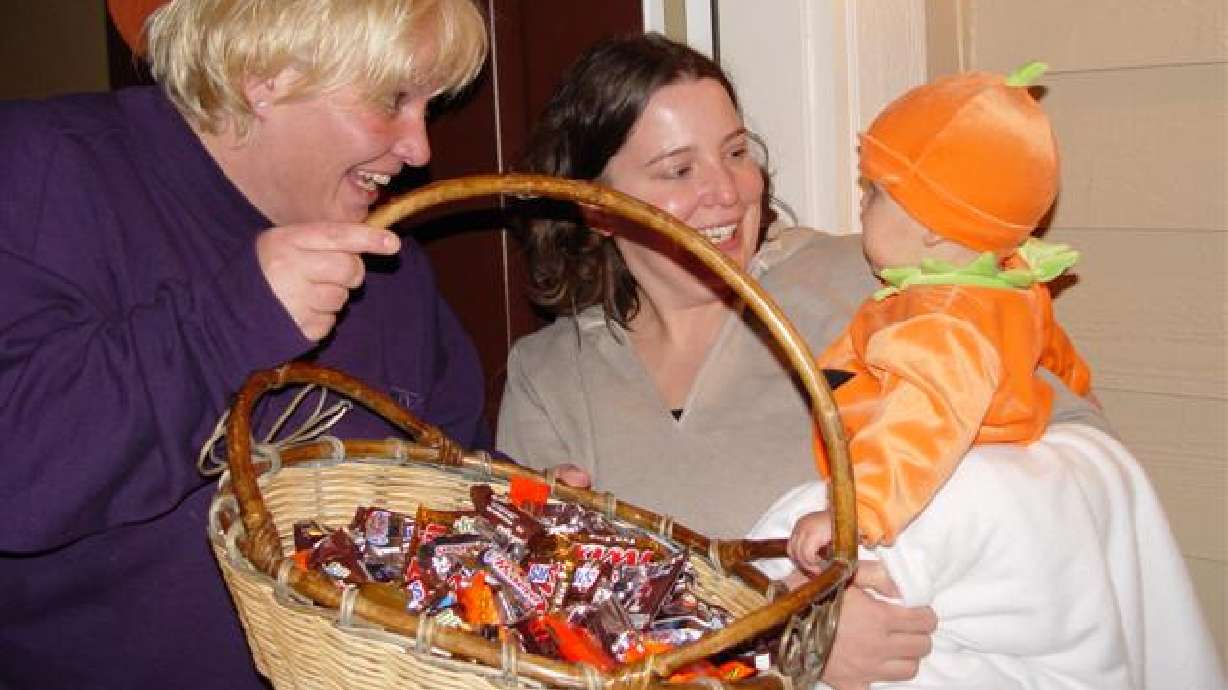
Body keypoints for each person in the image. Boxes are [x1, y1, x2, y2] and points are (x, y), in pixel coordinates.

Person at [0, 1, 488, 688]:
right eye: (393, 99)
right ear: (266, 72)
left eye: (428, 105)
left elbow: (441, 491)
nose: (420, 148)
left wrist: (515, 524)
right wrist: (235, 319)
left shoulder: (396, 274)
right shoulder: (43, 170)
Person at [497, 33, 947, 688]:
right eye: (679, 170)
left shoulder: (859, 284)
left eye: (736, 152)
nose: (728, 192)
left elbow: (1047, 450)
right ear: (598, 209)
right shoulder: (549, 377)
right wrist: (788, 637)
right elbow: (536, 635)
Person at [786, 64, 1093, 570]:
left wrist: (853, 511)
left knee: (779, 539)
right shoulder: (1009, 285)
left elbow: (922, 421)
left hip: (922, 503)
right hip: (944, 491)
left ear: (931, 223)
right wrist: (1081, 394)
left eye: (875, 192)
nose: (862, 206)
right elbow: (1059, 361)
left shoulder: (941, 323)